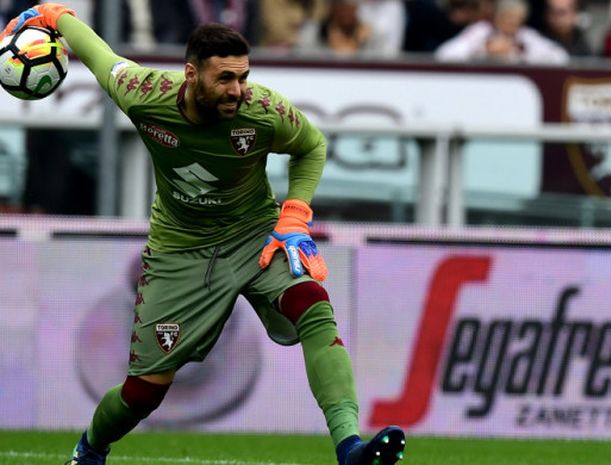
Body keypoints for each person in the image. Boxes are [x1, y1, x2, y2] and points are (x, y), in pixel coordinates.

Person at [0, 4, 407, 465]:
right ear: (191, 75)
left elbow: (311, 146)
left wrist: (294, 216)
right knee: (143, 393)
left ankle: (350, 446)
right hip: (181, 253)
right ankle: (91, 448)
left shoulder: (263, 111)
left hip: (255, 235)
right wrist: (54, 16)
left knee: (313, 306)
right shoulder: (143, 94)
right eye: (225, 80)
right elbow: (97, 54)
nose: (237, 90)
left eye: (243, 77)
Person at [435, 0, 569, 64]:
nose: (510, 23)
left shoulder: (527, 37)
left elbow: (561, 57)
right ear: (497, 17)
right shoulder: (480, 32)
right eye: (507, 17)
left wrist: (520, 54)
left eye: (515, 19)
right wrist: (485, 51)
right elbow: (443, 54)